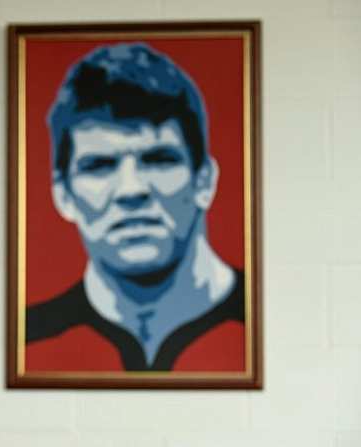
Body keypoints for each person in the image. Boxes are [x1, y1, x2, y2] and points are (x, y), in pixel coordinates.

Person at [26, 43, 245, 372]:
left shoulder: (277, 328)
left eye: (159, 160)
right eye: (99, 165)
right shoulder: (27, 341)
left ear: (204, 181)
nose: (131, 190)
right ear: (63, 195)